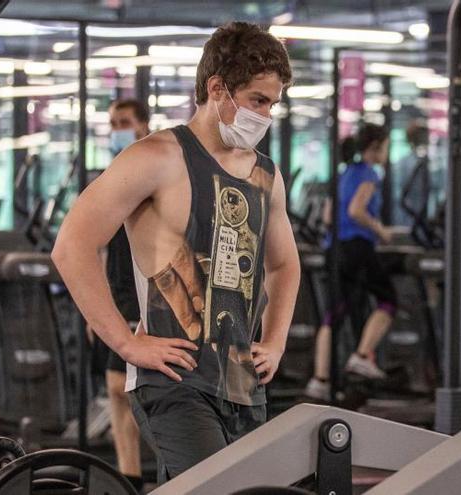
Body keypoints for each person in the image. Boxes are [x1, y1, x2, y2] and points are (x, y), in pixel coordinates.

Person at [52, 22, 300, 482]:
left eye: (272, 104)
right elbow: (72, 246)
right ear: (217, 88)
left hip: (244, 382)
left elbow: (284, 265)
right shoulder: (155, 158)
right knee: (216, 487)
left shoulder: (266, 174)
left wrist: (277, 341)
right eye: (257, 101)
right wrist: (125, 343)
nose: (265, 116)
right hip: (174, 381)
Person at [304, 125, 397, 401]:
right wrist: (381, 231)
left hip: (336, 249)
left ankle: (320, 379)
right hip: (358, 246)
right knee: (388, 300)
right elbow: (356, 210)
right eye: (386, 146)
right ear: (376, 147)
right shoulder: (369, 174)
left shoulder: (345, 173)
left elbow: (329, 215)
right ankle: (361, 356)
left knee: (334, 313)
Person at [102, 98, 150, 488]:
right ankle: (128, 477)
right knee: (115, 389)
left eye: (125, 122)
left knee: (127, 387)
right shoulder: (111, 175)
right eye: (113, 122)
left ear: (143, 127)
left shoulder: (151, 174)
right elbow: (99, 247)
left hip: (144, 293)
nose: (118, 128)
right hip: (116, 293)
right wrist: (96, 307)